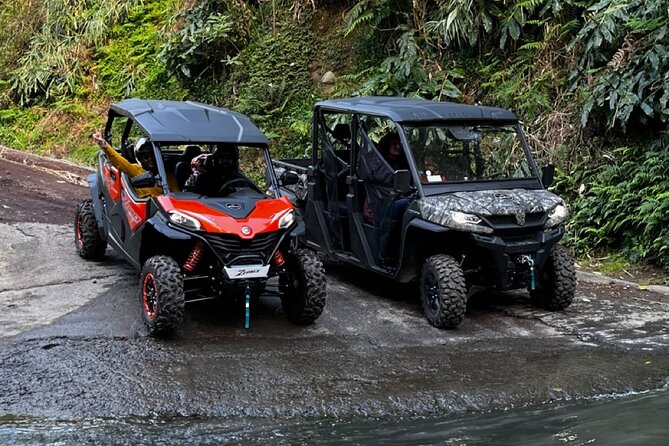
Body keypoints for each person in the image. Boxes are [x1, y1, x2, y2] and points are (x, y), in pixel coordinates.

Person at [92, 131, 179, 198]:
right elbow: (120, 163)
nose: (150, 160)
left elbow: (176, 195)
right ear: (140, 158)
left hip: (162, 210)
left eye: (152, 156)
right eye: (146, 157)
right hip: (142, 211)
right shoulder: (137, 170)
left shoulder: (167, 174)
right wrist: (104, 144)